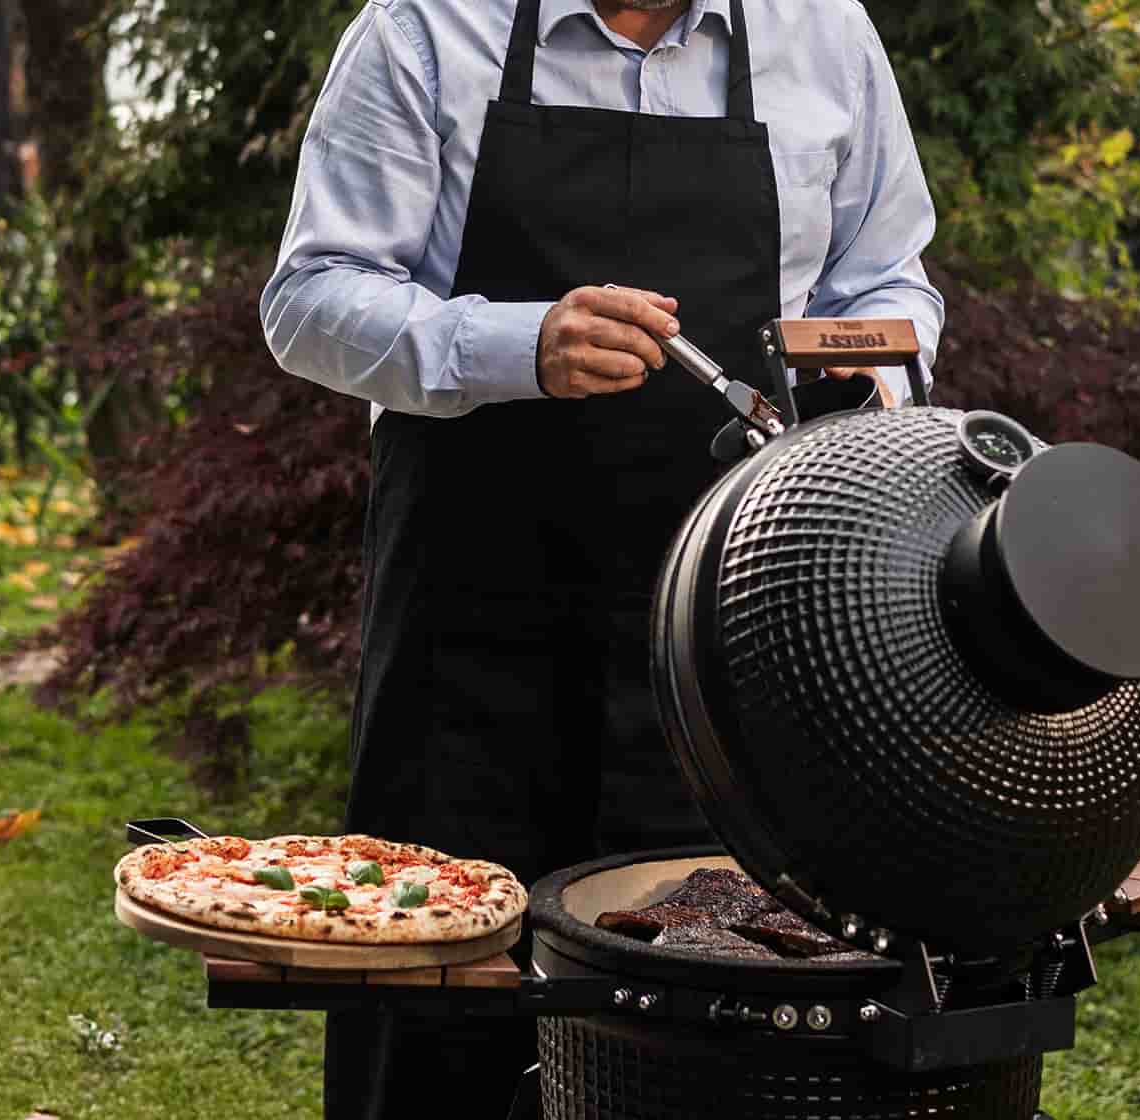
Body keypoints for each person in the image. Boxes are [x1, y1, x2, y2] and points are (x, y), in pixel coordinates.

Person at [261, 0, 942, 1115]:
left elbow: (887, 283)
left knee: (702, 1017)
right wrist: (514, 343)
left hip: (727, 627)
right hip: (469, 631)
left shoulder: (824, 32)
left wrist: (875, 380)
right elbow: (309, 298)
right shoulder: (423, 29)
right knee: (434, 1012)